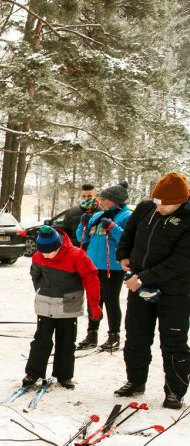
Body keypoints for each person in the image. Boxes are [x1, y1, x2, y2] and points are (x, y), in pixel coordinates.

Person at [114, 171, 190, 409]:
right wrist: (123, 255)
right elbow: (129, 233)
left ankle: (174, 391)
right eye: (157, 201)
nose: (160, 208)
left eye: (166, 204)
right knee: (135, 336)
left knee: (173, 342)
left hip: (175, 291)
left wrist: (143, 278)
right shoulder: (147, 208)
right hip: (139, 286)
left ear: (182, 200)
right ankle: (135, 381)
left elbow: (181, 261)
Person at [22, 226, 101, 389]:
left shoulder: (77, 256)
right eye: (42, 252)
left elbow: (91, 278)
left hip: (68, 306)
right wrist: (40, 289)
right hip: (45, 304)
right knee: (41, 340)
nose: (45, 256)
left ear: (58, 245)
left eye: (49, 252)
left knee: (66, 342)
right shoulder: (38, 256)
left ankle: (64, 375)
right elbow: (35, 275)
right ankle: (33, 372)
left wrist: (94, 305)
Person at [75, 182, 132, 351]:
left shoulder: (126, 216)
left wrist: (113, 228)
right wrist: (83, 224)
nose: (101, 201)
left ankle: (114, 335)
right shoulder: (98, 216)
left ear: (115, 201)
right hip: (93, 265)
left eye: (105, 199)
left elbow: (128, 239)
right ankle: (92, 333)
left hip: (112, 267)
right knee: (95, 300)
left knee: (110, 300)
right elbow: (82, 238)